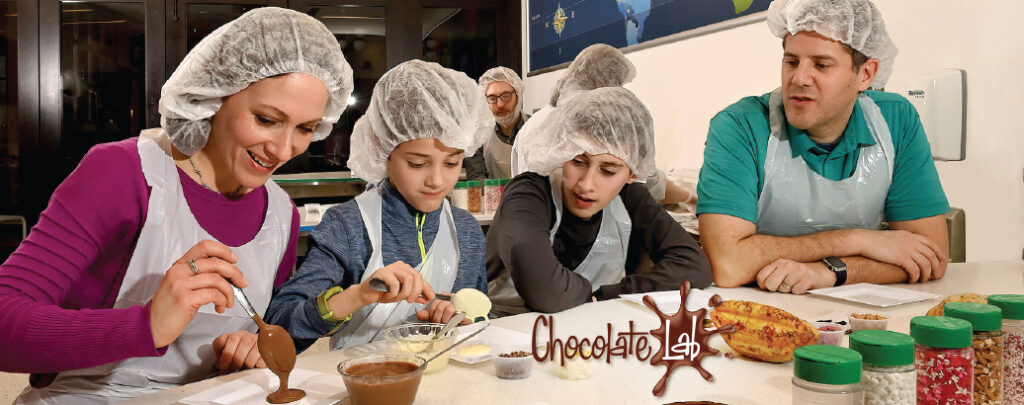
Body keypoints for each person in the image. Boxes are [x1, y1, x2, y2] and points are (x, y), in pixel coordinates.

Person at [0, 7, 353, 404]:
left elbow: (255, 330)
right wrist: (146, 325)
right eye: (266, 119)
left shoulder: (280, 214)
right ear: (217, 95)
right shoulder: (123, 173)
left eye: (305, 128)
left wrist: (247, 345)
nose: (284, 149)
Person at [697, 0, 950, 295]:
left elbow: (930, 258)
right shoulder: (741, 126)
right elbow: (729, 264)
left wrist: (829, 272)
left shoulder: (895, 121)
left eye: (821, 65)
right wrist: (857, 240)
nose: (799, 79)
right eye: (791, 62)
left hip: (858, 313)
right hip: (764, 313)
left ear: (866, 74)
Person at [265, 60, 491, 351]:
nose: (436, 180)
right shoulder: (347, 227)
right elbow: (280, 327)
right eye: (418, 163)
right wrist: (357, 296)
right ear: (382, 151)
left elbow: (479, 318)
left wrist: (455, 318)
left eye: (452, 163)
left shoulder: (466, 232)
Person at [487, 87, 712, 316]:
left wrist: (605, 295)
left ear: (633, 174)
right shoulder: (527, 194)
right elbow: (546, 292)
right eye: (577, 161)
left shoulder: (630, 197)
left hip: (589, 335)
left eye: (608, 171)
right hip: (508, 337)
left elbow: (695, 266)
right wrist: (594, 297)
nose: (586, 184)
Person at [510, 43, 693, 204]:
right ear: (607, 83)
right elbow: (645, 180)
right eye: (619, 85)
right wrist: (689, 197)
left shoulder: (536, 122)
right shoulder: (585, 123)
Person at [463, 67, 528, 180]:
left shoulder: (537, 129)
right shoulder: (476, 136)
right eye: (492, 98)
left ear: (518, 95)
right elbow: (477, 179)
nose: (500, 105)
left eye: (506, 96)